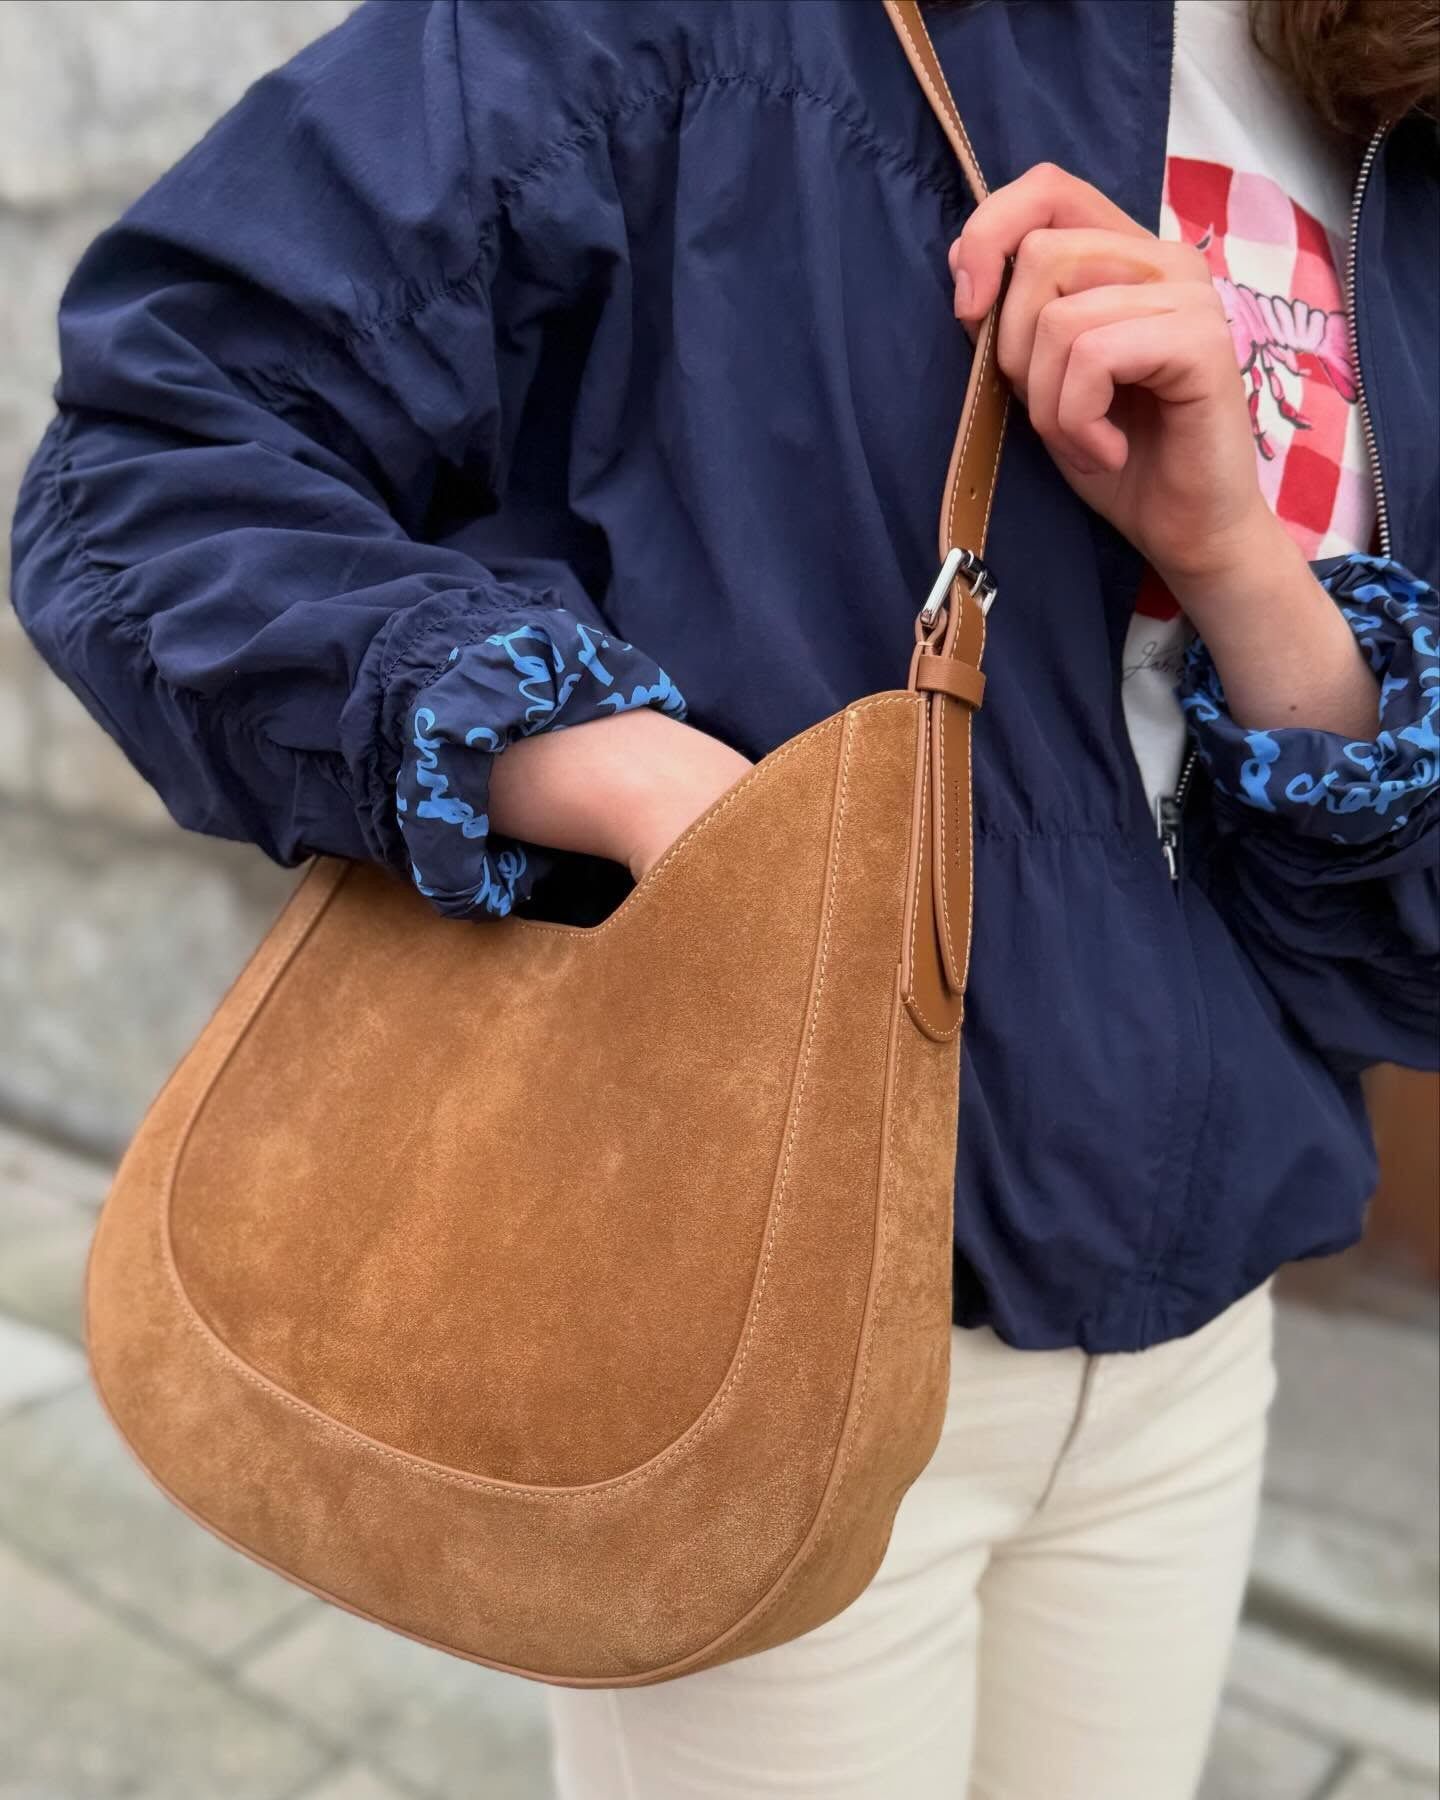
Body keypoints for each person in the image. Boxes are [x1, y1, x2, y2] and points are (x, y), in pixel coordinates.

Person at [10, 1, 1438, 1794]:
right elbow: (152, 461)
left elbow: (1395, 951)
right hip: (743, 1315)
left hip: (1196, 1347)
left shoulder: (1390, 108)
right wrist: (660, 797)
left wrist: (1237, 562)